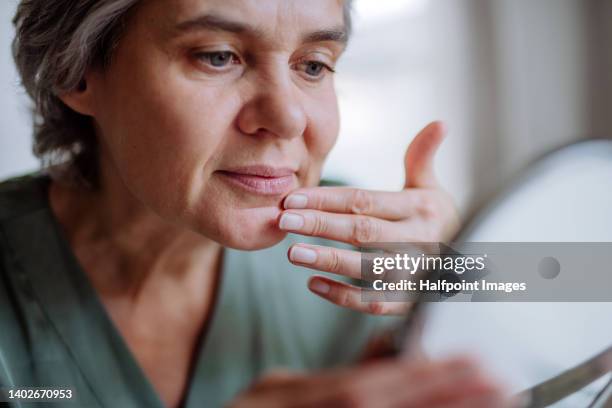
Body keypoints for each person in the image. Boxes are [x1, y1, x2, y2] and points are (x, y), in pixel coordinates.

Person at [0, 0, 507, 407]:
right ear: (79, 71)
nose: (287, 118)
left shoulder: (351, 237)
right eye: (218, 56)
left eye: (312, 66)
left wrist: (467, 276)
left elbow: (579, 282)